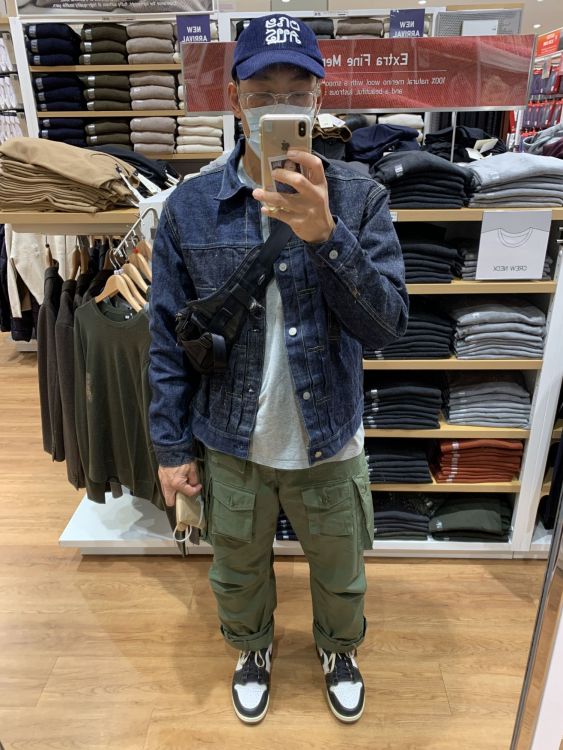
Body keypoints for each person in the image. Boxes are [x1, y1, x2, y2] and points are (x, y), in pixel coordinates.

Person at [149, 13, 408, 725]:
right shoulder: (190, 207)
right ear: (235, 99)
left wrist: (326, 237)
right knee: (236, 568)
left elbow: (387, 328)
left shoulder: (358, 197)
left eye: (296, 91)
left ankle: (338, 649)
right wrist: (169, 448)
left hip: (328, 435)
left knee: (340, 569)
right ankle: (252, 647)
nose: (279, 106)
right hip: (230, 440)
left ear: (318, 99)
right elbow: (167, 339)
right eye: (263, 92)